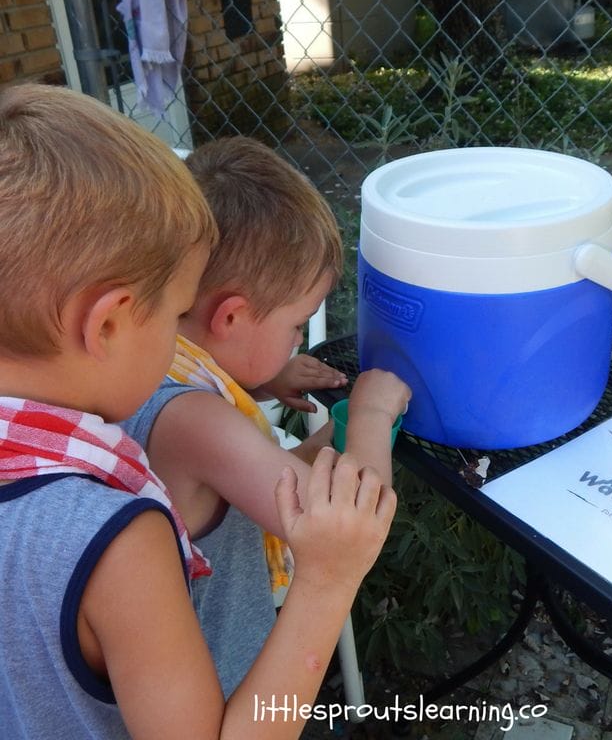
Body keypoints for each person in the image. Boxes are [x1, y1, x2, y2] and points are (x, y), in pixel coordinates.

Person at [0, 83, 401, 740]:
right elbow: (342, 517)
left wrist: (266, 388)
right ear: (105, 326)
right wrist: (329, 574)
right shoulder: (118, 542)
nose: (179, 340)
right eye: (173, 311)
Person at [120, 135, 410, 696]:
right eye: (295, 324)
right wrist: (371, 416)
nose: (299, 340)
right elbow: (351, 520)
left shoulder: (147, 367)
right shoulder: (195, 422)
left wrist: (268, 380)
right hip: (219, 687)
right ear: (231, 316)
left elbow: (264, 480)